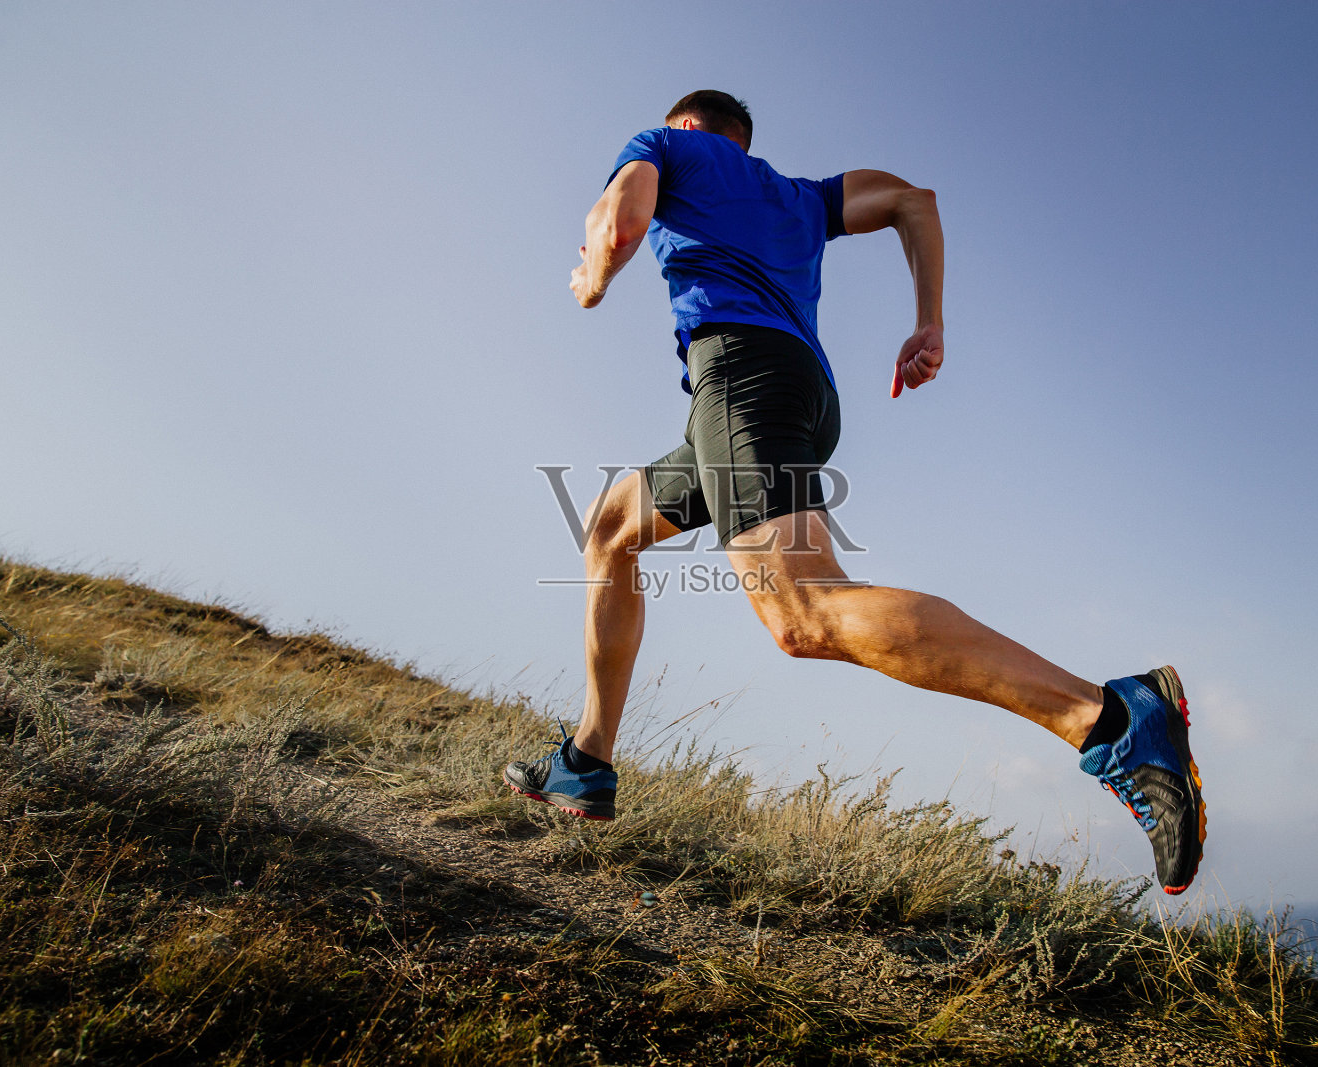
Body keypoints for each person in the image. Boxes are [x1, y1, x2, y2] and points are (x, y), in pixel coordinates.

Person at [505, 91, 1206, 893]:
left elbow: (617, 222)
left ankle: (1108, 718)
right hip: (794, 392)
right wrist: (929, 320)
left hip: (740, 383)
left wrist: (593, 276)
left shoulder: (667, 145)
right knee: (610, 529)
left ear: (689, 126)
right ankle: (587, 760)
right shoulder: (804, 197)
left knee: (802, 613)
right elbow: (915, 201)